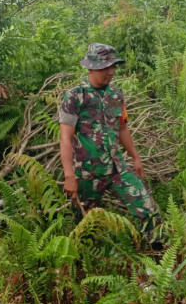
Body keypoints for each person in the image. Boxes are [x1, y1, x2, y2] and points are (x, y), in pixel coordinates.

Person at [58, 43, 160, 239]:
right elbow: (65, 138)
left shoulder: (115, 95)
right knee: (85, 226)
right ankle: (86, 264)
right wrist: (69, 175)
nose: (111, 71)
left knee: (149, 208)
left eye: (113, 66)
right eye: (106, 67)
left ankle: (160, 256)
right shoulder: (74, 97)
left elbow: (122, 127)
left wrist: (136, 157)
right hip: (87, 173)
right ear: (91, 67)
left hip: (116, 167)